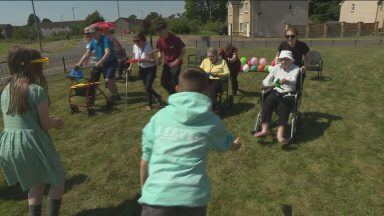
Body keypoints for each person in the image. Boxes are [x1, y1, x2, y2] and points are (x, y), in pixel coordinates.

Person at [139, 67, 242, 216]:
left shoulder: (158, 118)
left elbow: (145, 161)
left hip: (156, 198)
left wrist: (145, 193)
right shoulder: (212, 121)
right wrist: (236, 145)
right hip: (192, 199)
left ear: (177, 89)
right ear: (207, 90)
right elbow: (225, 143)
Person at [0, 46, 66, 216]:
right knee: (58, 179)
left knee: (36, 184)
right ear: (32, 66)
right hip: (32, 144)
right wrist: (57, 122)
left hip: (10, 146)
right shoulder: (36, 90)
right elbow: (45, 124)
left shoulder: (5, 91)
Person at [255, 50, 300, 144]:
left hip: (289, 94)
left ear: (290, 60)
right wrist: (271, 84)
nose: (283, 62)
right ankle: (264, 129)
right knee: (267, 103)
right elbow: (265, 81)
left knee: (283, 107)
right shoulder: (276, 67)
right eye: (282, 60)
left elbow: (294, 81)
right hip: (276, 91)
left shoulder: (296, 68)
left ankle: (280, 134)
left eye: (286, 60)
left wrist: (286, 81)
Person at [76, 26, 121, 103]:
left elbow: (107, 53)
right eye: (90, 33)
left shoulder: (105, 39)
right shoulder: (93, 41)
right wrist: (79, 63)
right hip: (100, 63)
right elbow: (87, 53)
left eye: (93, 33)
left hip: (111, 62)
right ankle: (91, 98)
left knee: (108, 79)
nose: (91, 35)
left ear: (99, 32)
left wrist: (99, 63)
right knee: (92, 81)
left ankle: (115, 95)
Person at [128, 32, 165, 111]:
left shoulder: (148, 47)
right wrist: (130, 67)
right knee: (147, 88)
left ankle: (150, 105)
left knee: (148, 87)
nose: (136, 43)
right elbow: (134, 57)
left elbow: (153, 61)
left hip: (151, 68)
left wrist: (144, 59)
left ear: (143, 40)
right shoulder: (135, 46)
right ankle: (158, 96)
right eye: (134, 41)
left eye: (138, 41)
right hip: (142, 69)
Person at [155, 22, 186, 95]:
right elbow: (159, 50)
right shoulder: (160, 40)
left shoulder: (175, 39)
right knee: (163, 82)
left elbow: (184, 50)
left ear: (165, 29)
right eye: (157, 32)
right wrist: (159, 58)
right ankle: (174, 95)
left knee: (174, 82)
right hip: (167, 63)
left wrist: (177, 60)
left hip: (176, 63)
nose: (159, 34)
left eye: (160, 32)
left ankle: (176, 96)